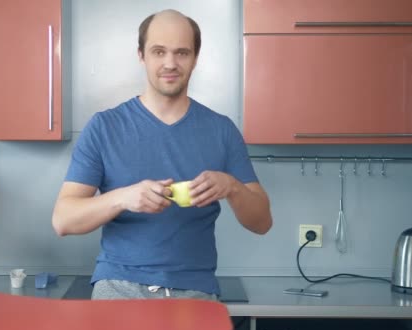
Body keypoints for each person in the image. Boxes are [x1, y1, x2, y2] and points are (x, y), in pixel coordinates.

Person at [52, 9, 272, 300]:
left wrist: (231, 187)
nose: (170, 63)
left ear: (195, 58)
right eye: (159, 51)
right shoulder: (104, 127)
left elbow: (262, 222)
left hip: (196, 292)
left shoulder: (222, 130)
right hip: (118, 288)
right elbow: (63, 220)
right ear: (141, 55)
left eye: (182, 53)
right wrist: (123, 197)